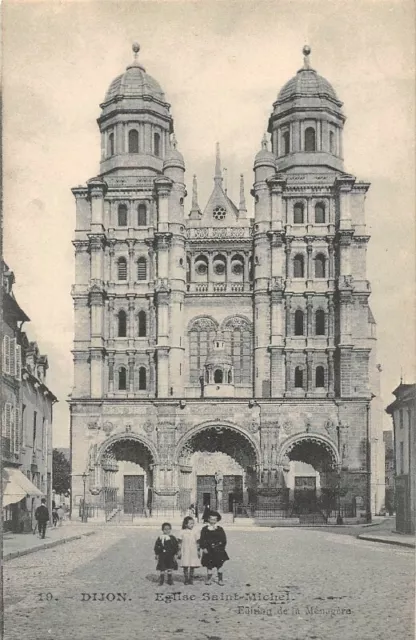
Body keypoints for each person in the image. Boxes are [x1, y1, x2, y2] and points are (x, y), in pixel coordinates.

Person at [199, 511, 229, 586]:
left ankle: (220, 579)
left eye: (215, 519)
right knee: (209, 565)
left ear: (217, 520)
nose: (213, 521)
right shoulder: (205, 529)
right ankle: (209, 579)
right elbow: (202, 539)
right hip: (208, 550)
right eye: (211, 519)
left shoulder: (220, 529)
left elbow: (224, 540)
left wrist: (221, 547)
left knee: (219, 565)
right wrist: (204, 547)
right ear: (208, 519)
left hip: (218, 550)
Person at [178, 516, 200, 585]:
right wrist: (178, 551)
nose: (192, 525)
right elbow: (179, 542)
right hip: (185, 550)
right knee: (185, 565)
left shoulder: (195, 531)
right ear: (185, 524)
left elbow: (198, 542)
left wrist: (198, 551)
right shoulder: (182, 531)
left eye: (193, 523)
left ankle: (191, 579)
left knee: (192, 565)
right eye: (190, 523)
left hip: (193, 550)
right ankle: (186, 579)